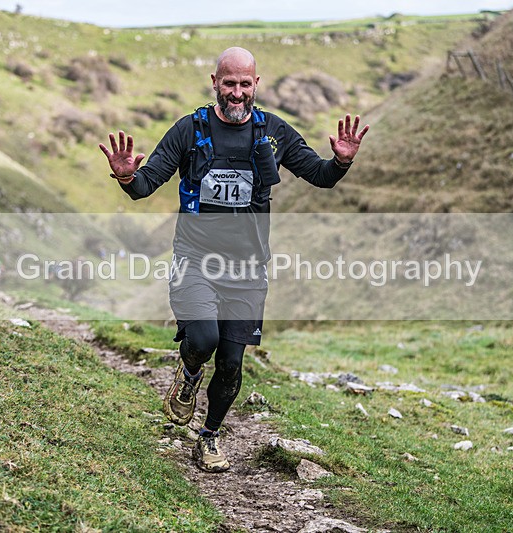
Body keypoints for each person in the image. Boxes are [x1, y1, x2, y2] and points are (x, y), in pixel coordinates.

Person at [98, 47, 368, 473]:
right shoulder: (189, 130)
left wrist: (340, 162)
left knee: (231, 361)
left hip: (248, 268)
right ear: (215, 82)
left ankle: (208, 437)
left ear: (256, 85)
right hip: (195, 260)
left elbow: (319, 176)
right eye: (230, 84)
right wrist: (128, 175)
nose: (237, 93)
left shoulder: (273, 131)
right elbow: (146, 185)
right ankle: (187, 376)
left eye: (245, 84)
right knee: (203, 340)